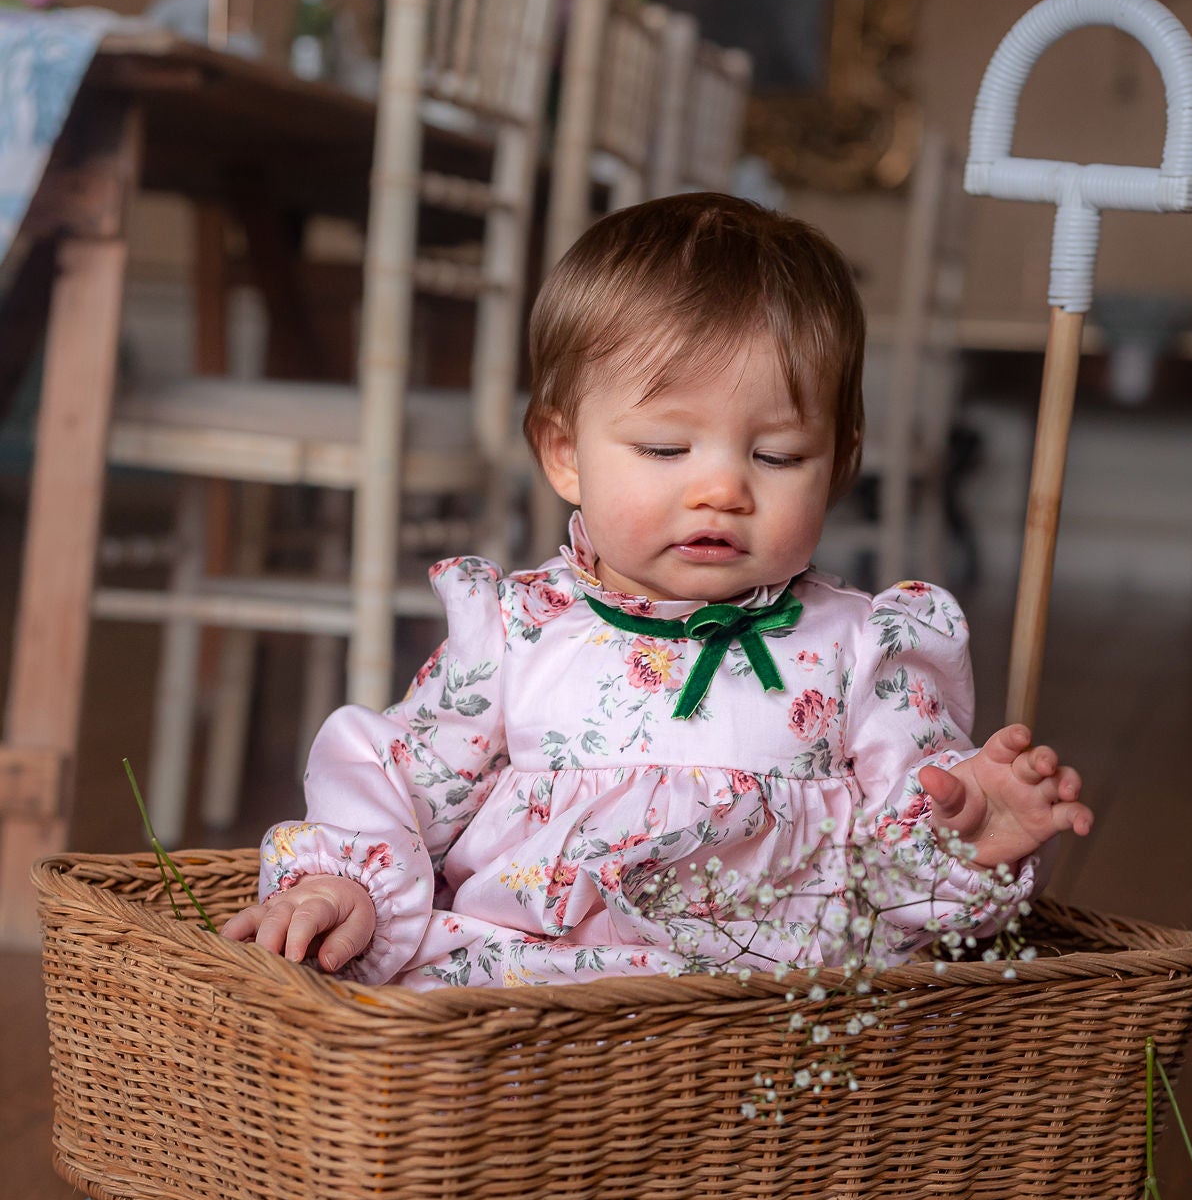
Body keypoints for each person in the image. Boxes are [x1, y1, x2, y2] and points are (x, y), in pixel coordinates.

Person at [222, 194, 1092, 988]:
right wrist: (345, 881)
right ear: (565, 453)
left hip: (768, 1010)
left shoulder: (865, 650)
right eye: (665, 451)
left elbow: (904, 857)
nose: (721, 489)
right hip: (525, 988)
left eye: (778, 457)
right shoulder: (516, 633)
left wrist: (969, 828)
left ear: (836, 466)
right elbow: (396, 776)